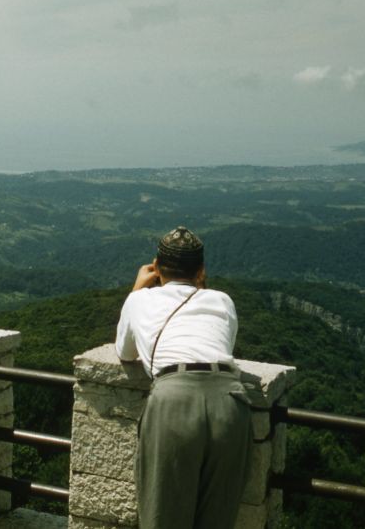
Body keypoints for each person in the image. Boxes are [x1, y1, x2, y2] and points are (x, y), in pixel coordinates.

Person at [114, 226, 252, 529]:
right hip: (230, 402)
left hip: (173, 401)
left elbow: (124, 352)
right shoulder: (223, 300)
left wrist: (136, 290)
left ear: (156, 267)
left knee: (164, 517)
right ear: (201, 271)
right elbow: (221, 347)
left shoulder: (139, 300)